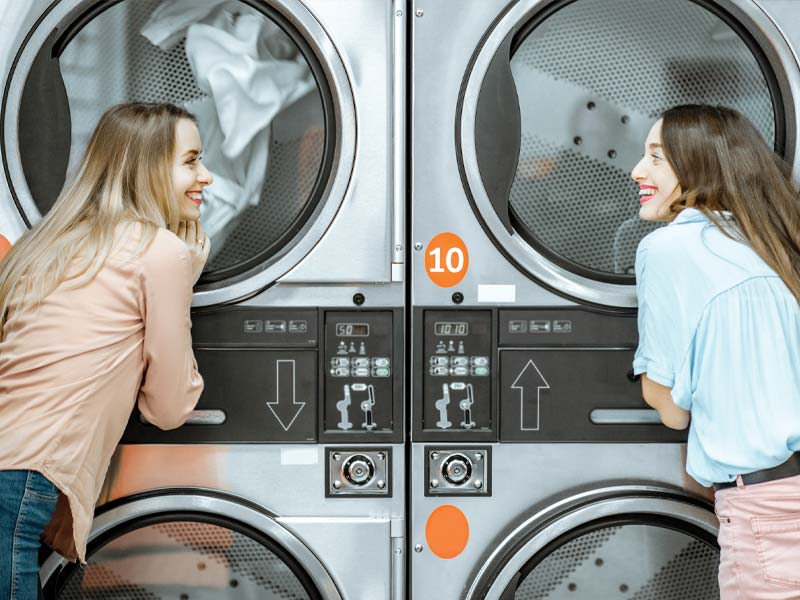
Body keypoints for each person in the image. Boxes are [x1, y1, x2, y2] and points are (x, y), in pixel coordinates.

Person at [0, 102, 212, 599]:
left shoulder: (47, 243)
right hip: (20, 474)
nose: (207, 176)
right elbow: (168, 408)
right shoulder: (162, 252)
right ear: (148, 166)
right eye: (191, 161)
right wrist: (186, 281)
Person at [630, 104, 800, 599]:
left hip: (771, 512)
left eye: (657, 158)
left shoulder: (669, 251)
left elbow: (671, 411)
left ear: (702, 165)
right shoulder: (778, 240)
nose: (637, 171)